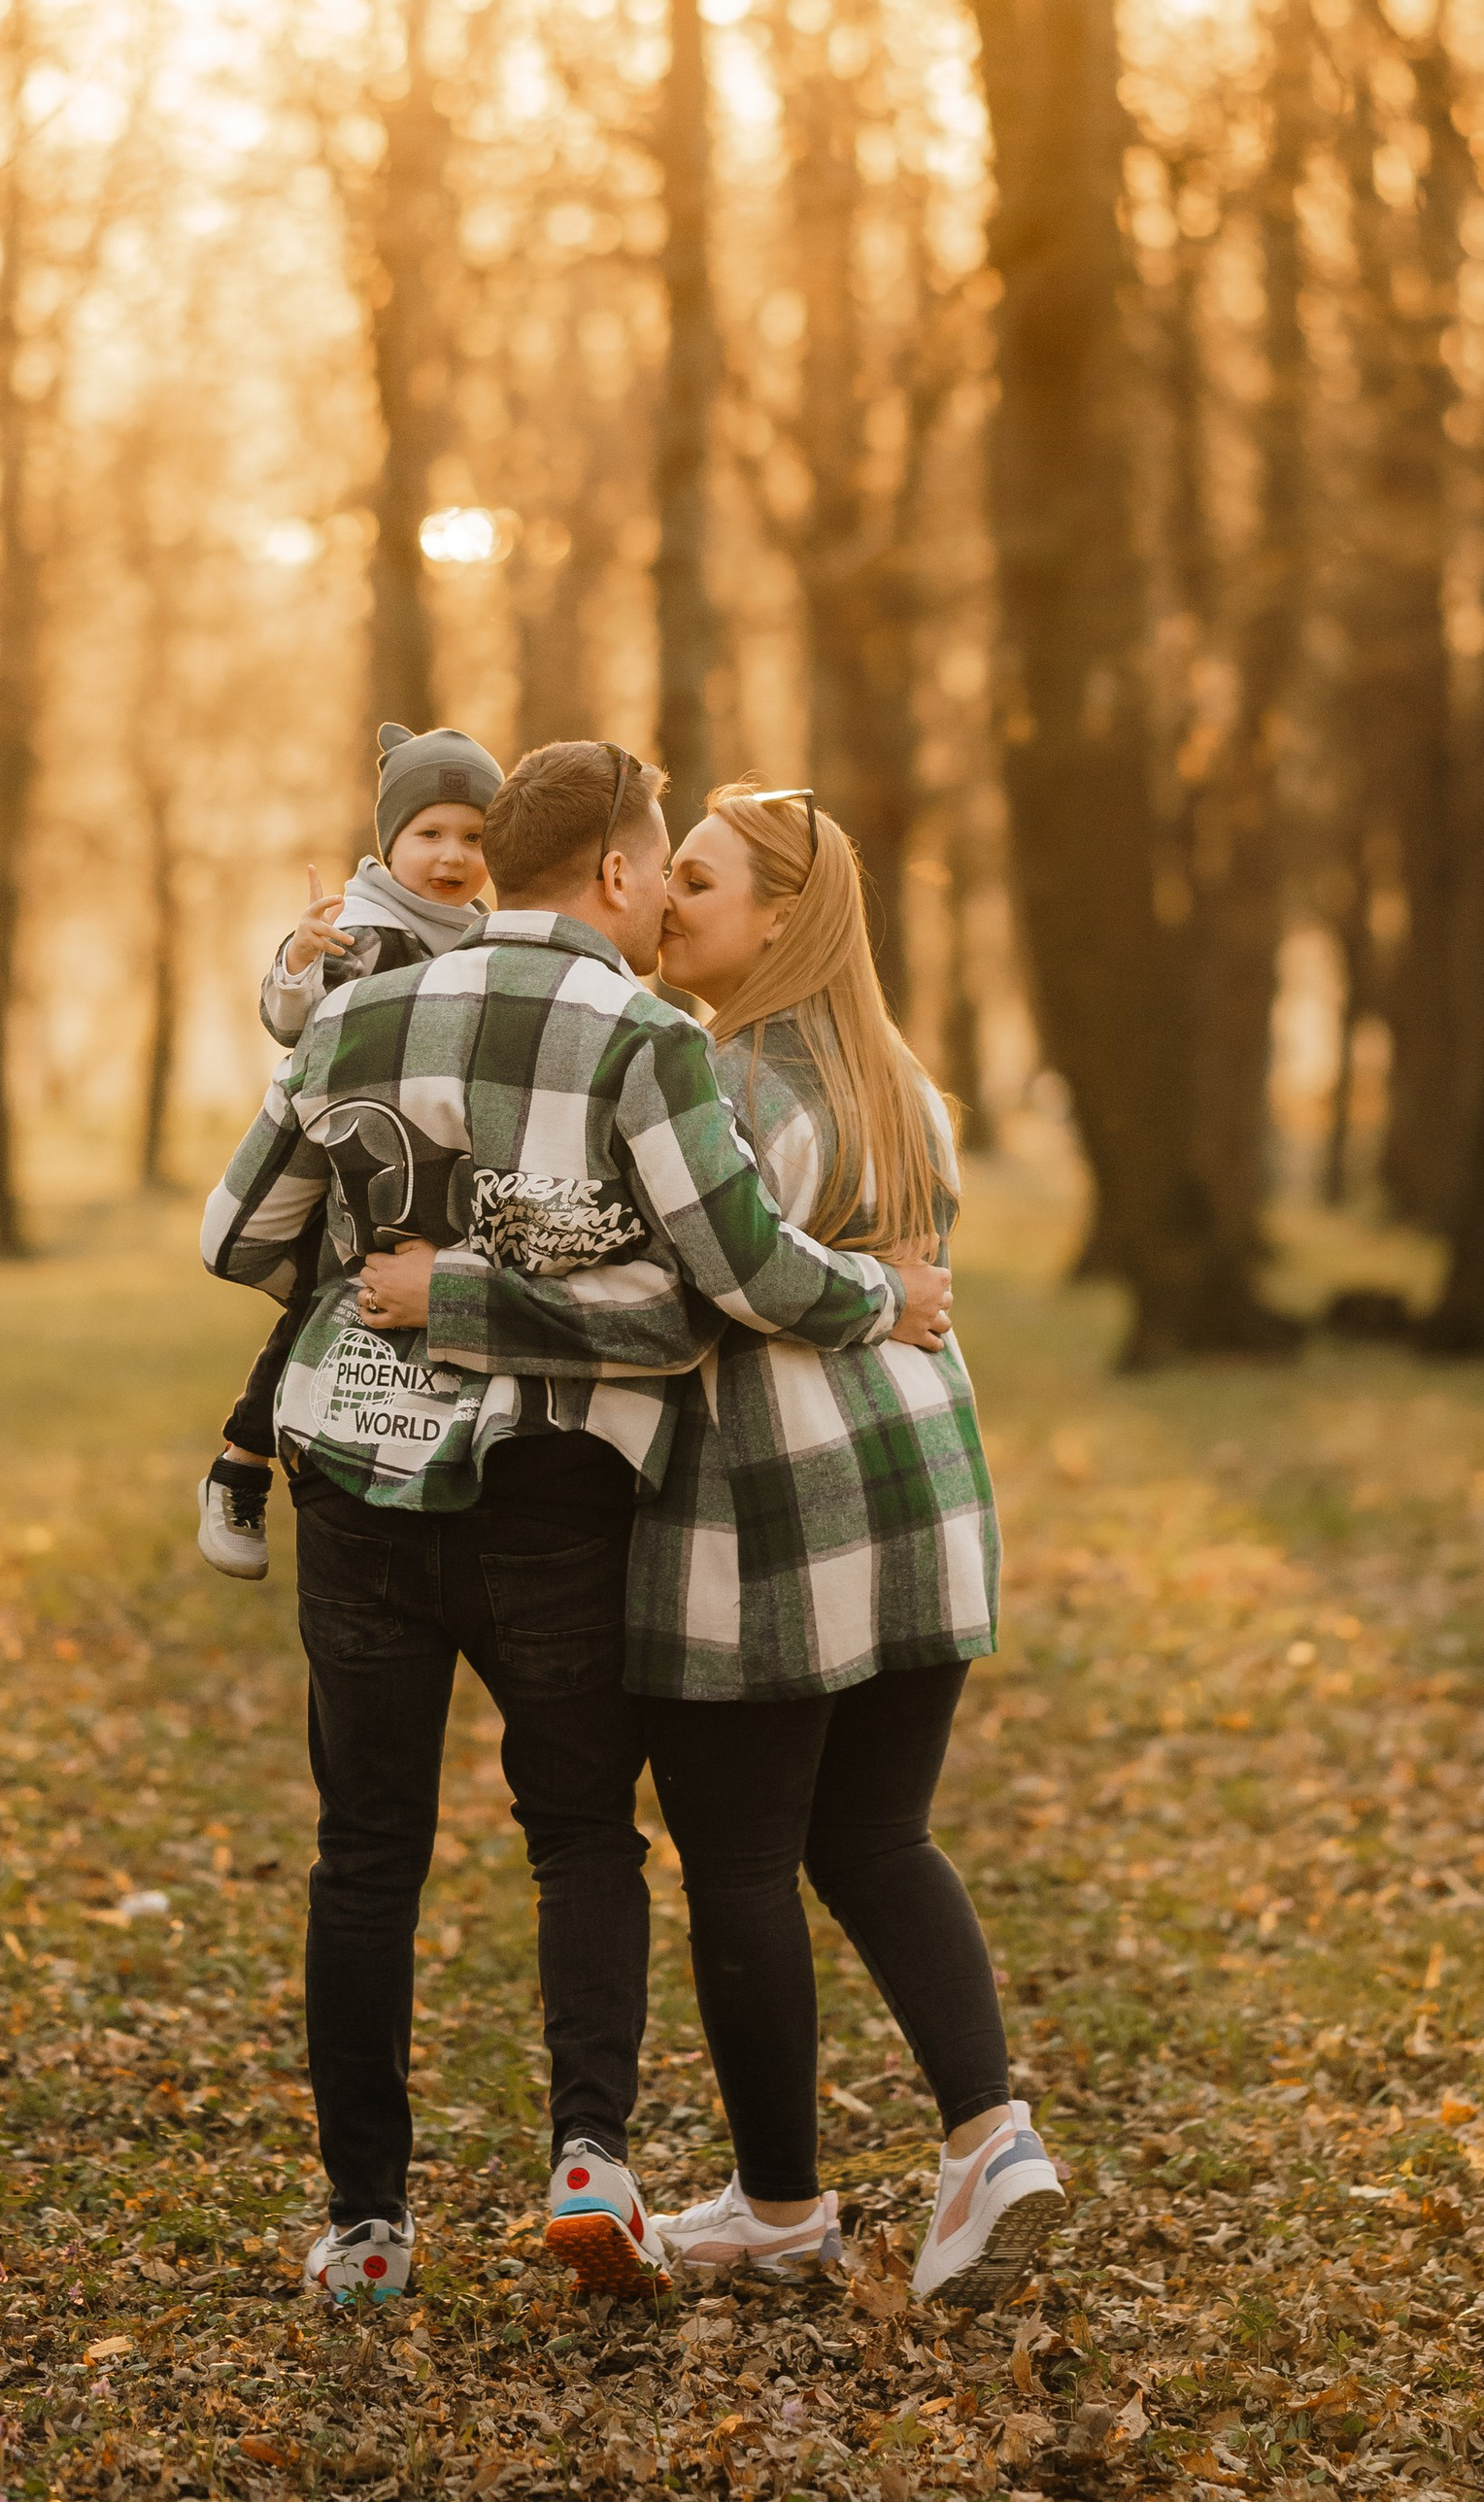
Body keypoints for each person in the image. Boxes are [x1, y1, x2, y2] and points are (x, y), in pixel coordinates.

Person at [201, 739, 954, 2307]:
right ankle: (590, 2157)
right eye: (660, 864)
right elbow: (712, 1288)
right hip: (550, 1483)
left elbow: (238, 1233)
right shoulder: (644, 1037)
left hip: (353, 1477)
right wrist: (885, 1296)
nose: (665, 898)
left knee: (364, 1849)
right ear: (614, 867)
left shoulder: (354, 1012)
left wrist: (379, 1269)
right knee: (579, 1832)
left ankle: (367, 2226)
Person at [384, 786, 1062, 2307]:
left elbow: (668, 1301)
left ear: (782, 915)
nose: (666, 899)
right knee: (878, 1836)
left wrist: (452, 1293)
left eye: (697, 878)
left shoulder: (716, 1078)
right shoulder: (900, 1079)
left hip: (773, 1510)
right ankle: (989, 2131)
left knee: (741, 1862)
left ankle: (780, 2203)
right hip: (924, 1489)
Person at [196, 722, 500, 1583]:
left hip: (422, 1159)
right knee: (324, 1297)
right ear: (390, 842)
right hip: (341, 1157)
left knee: (376, 1302)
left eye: (474, 836)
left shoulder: (481, 933)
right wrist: (299, 959)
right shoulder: (362, 928)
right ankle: (241, 1463)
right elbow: (290, 1025)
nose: (452, 855)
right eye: (430, 833)